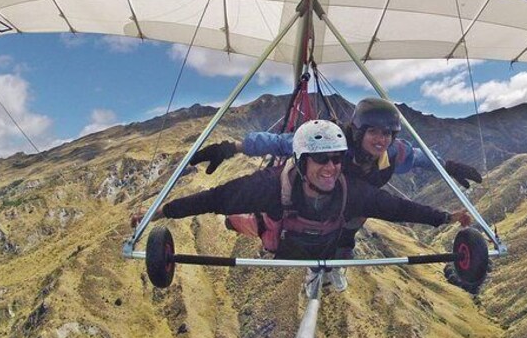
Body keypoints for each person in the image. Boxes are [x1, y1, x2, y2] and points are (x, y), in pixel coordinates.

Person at [136, 120, 472, 296]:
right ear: (301, 160)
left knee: (352, 224)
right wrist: (158, 213)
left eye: (336, 160)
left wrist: (446, 217)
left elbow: (399, 208)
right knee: (248, 222)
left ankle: (331, 264)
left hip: (324, 238)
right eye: (321, 160)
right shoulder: (269, 185)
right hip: (279, 232)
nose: (330, 168)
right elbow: (211, 198)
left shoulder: (350, 188)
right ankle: (235, 223)